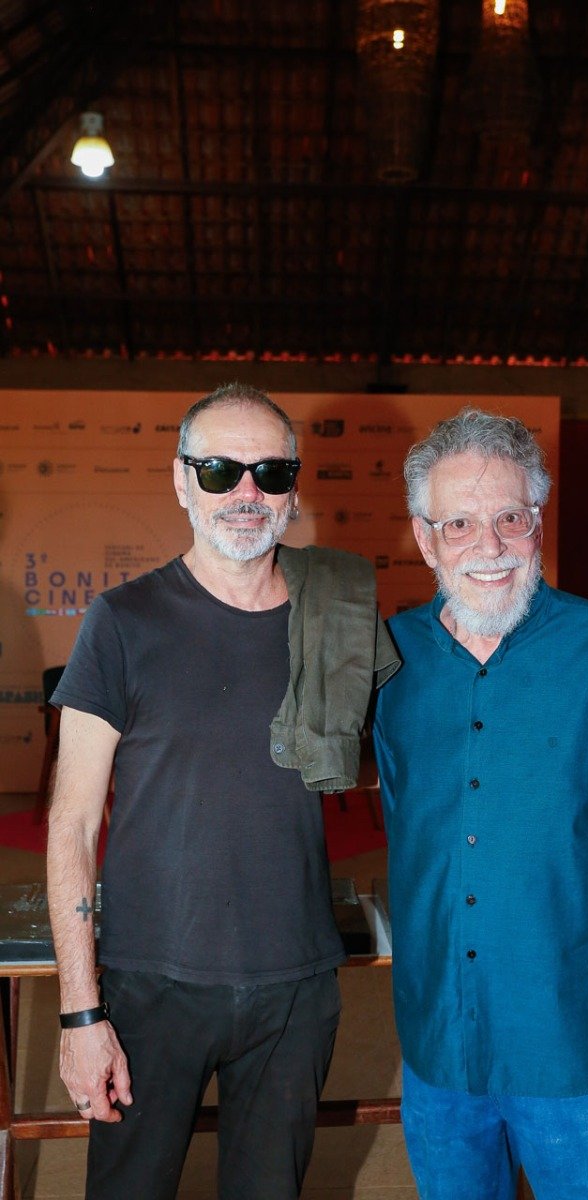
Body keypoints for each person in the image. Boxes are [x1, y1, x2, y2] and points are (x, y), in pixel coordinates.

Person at [46, 382, 399, 1200]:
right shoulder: (122, 622)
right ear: (181, 481)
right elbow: (71, 825)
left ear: (294, 489)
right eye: (219, 471)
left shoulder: (336, 616)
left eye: (270, 472)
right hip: (149, 985)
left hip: (295, 985)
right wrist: (81, 1015)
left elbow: (386, 760)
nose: (247, 492)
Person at [372, 407, 588, 1200]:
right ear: (425, 538)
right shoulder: (391, 661)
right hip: (440, 1045)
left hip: (577, 1037)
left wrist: (568, 928)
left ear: (538, 521)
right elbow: (405, 821)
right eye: (460, 524)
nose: (490, 546)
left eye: (510, 517)